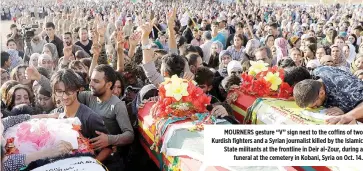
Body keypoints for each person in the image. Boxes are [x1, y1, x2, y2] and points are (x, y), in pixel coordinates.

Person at [50, 69, 112, 162]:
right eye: (59, 91)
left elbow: (108, 148)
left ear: (77, 89)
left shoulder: (90, 118)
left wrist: (91, 165)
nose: (65, 96)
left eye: (69, 91)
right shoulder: (54, 116)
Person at [293, 66, 363, 121]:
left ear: (322, 93)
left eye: (316, 105)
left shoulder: (346, 87)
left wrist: (346, 114)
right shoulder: (316, 72)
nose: (314, 108)